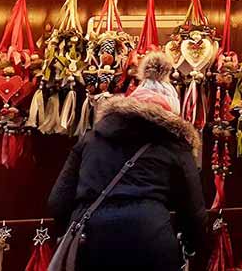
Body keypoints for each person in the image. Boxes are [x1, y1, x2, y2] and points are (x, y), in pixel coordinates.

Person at [49, 51, 207, 271]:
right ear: (171, 112)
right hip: (151, 244)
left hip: (93, 243)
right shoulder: (175, 145)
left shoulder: (92, 138)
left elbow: (58, 201)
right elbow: (194, 211)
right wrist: (191, 247)